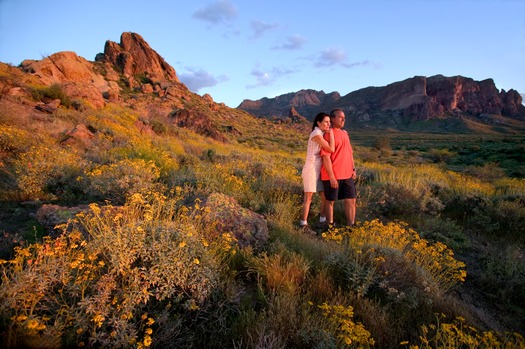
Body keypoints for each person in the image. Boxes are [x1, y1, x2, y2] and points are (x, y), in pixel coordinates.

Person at [320, 108, 357, 227]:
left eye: (344, 117)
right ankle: (330, 226)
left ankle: (351, 226)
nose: (343, 119)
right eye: (340, 117)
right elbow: (326, 157)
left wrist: (353, 168)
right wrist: (331, 177)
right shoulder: (328, 134)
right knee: (330, 201)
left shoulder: (345, 134)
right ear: (332, 119)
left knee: (351, 200)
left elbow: (350, 153)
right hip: (332, 175)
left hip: (347, 174)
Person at [299, 112, 335, 233]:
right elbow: (331, 149)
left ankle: (322, 220)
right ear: (318, 123)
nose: (328, 124)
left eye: (329, 122)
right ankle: (303, 224)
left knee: (324, 197)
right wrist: (332, 135)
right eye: (326, 122)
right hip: (311, 169)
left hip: (319, 170)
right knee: (308, 198)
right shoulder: (316, 134)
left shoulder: (321, 133)